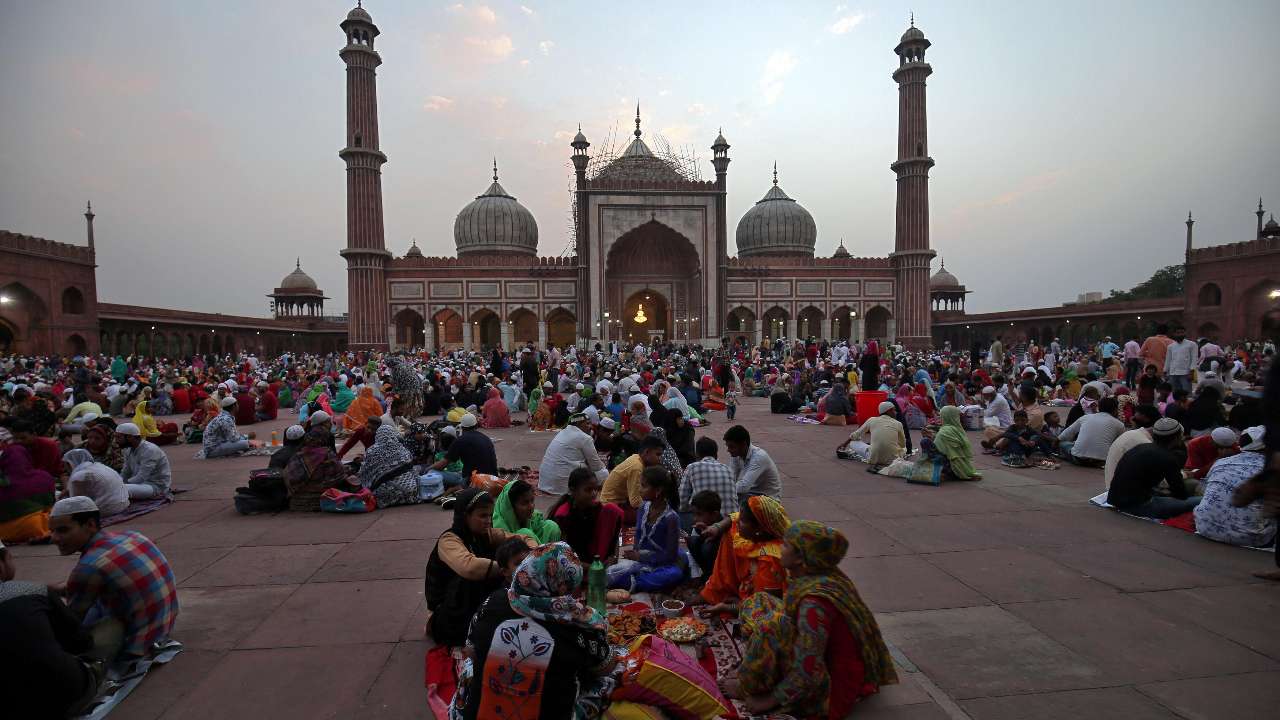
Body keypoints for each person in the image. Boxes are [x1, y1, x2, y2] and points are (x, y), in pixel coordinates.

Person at [728, 521, 898, 717]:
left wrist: (772, 699)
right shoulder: (820, 576)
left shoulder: (814, 603)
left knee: (770, 627)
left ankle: (750, 684)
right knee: (760, 600)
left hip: (831, 683)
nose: (781, 549)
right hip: (824, 656)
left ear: (801, 558)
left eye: (786, 545)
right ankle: (753, 666)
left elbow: (807, 668)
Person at [460, 542, 615, 720]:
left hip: (481, 714)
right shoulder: (575, 624)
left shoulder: (495, 599)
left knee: (472, 667)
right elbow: (606, 666)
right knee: (606, 682)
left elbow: (471, 651)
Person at [49, 496, 179, 662]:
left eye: (62, 530)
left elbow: (71, 625)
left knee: (58, 640)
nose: (54, 538)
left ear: (90, 525)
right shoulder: (131, 536)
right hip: (164, 623)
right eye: (52, 531)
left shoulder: (88, 567)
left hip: (138, 642)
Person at [0, 539, 102, 719]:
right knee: (108, 627)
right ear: (3, 562)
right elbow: (81, 643)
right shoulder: (33, 591)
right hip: (69, 694)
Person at [424, 488, 534, 647]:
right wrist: (510, 567)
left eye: (490, 515)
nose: (488, 520)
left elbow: (521, 538)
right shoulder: (449, 540)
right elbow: (470, 568)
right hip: (447, 614)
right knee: (475, 577)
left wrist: (534, 554)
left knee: (510, 551)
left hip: (468, 605)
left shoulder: (484, 534)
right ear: (465, 515)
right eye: (482, 515)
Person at [699, 495, 791, 613]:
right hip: (751, 594)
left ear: (759, 528)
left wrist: (730, 608)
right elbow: (734, 518)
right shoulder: (760, 531)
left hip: (767, 611)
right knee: (728, 534)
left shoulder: (770, 561)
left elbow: (766, 608)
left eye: (742, 521)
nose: (737, 522)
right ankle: (716, 591)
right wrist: (717, 527)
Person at [1195, 427, 1276, 548]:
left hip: (1204, 527)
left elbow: (1203, 492)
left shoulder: (1221, 462)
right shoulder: (1271, 469)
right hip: (1251, 537)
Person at [608, 467, 685, 592]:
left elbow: (670, 556)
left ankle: (633, 582)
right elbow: (638, 535)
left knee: (674, 574)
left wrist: (642, 557)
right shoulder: (643, 508)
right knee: (611, 572)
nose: (639, 489)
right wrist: (635, 555)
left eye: (643, 486)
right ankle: (635, 579)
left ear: (658, 490)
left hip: (663, 564)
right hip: (642, 561)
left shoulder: (671, 518)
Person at [1107, 418, 1200, 519]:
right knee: (1200, 500)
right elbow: (1180, 494)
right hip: (1137, 506)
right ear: (1177, 438)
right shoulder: (1168, 458)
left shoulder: (1140, 447)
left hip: (1115, 500)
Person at [548, 467, 624, 564]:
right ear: (573, 490)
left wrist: (614, 556)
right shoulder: (563, 515)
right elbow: (564, 554)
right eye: (588, 490)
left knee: (612, 510)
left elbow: (615, 535)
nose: (594, 494)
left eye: (596, 489)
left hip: (595, 559)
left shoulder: (596, 508)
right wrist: (592, 567)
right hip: (571, 563)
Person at [284, 428, 355, 512]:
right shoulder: (327, 454)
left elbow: (289, 477)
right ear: (323, 440)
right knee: (350, 478)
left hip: (296, 501)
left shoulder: (298, 455)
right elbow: (338, 476)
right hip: (321, 499)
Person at [601, 435, 666, 524]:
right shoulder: (637, 467)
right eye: (658, 454)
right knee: (654, 517)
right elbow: (635, 501)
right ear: (647, 452)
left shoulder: (636, 458)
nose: (660, 459)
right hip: (612, 507)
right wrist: (652, 509)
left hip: (619, 502)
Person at [0, 439, 56, 543]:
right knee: (51, 511)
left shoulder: (3, 482)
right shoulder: (43, 477)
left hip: (5, 532)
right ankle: (44, 533)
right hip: (36, 525)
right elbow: (49, 504)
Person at [538, 412, 608, 495]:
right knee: (604, 473)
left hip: (545, 483)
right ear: (579, 424)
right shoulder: (585, 438)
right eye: (587, 423)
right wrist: (603, 466)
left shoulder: (562, 432)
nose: (590, 427)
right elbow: (596, 466)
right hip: (563, 487)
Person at [678, 436, 737, 528]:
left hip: (708, 522)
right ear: (716, 454)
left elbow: (682, 500)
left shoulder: (692, 467)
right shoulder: (728, 469)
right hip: (731, 522)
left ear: (697, 454)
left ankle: (690, 537)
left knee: (679, 513)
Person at [358, 424, 423, 508]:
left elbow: (365, 473)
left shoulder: (371, 451)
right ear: (393, 434)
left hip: (383, 494)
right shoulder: (403, 449)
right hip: (409, 491)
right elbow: (412, 470)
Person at [1103, 404, 1159, 490]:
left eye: (1135, 417)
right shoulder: (1145, 443)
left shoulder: (1132, 435)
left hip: (1113, 488)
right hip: (1124, 493)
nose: (1132, 418)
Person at [1058, 397, 1126, 467]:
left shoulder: (1086, 417)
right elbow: (1121, 444)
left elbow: (1065, 434)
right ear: (1115, 410)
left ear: (1099, 408)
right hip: (1103, 461)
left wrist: (1056, 441)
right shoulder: (1119, 425)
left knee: (1063, 444)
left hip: (1079, 459)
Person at [430, 413, 496, 483]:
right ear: (476, 426)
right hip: (492, 478)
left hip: (472, 480)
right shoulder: (486, 438)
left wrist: (427, 469)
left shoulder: (460, 441)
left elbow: (443, 464)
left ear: (462, 427)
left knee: (431, 472)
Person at [840, 401, 905, 472]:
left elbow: (856, 435)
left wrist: (844, 444)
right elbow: (902, 445)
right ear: (888, 411)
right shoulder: (898, 424)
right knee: (903, 449)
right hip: (892, 460)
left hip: (873, 458)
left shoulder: (871, 420)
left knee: (853, 442)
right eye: (893, 410)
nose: (895, 412)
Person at [114, 422, 172, 500]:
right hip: (138, 484)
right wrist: (116, 483)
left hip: (155, 486)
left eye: (118, 437)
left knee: (119, 490)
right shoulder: (127, 449)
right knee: (112, 488)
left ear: (130, 437)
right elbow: (125, 472)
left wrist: (120, 485)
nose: (116, 441)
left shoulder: (150, 450)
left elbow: (141, 477)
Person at [923, 405, 983, 481]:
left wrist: (929, 438)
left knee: (925, 442)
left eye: (941, 416)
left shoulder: (945, 431)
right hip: (960, 467)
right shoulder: (958, 429)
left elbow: (939, 449)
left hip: (949, 467)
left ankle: (939, 471)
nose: (940, 418)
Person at [723, 424, 782, 501]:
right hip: (751, 494)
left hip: (769, 499)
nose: (728, 450)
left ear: (743, 444)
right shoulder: (736, 455)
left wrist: (723, 490)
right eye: (727, 446)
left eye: (731, 447)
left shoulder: (759, 457)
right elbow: (730, 477)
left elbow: (744, 487)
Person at [63, 448, 129, 517]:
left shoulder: (79, 475)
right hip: (124, 503)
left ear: (70, 464)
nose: (65, 469)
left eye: (66, 465)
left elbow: (78, 502)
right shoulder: (99, 466)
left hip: (109, 508)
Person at [493, 478, 561, 544]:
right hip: (515, 553)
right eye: (524, 503)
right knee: (525, 533)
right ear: (511, 506)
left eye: (532, 501)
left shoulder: (533, 518)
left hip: (535, 546)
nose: (531, 506)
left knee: (551, 526)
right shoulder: (498, 526)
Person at [687, 490, 724, 581]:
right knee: (692, 541)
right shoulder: (698, 527)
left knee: (708, 547)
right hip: (707, 564)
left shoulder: (723, 527)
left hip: (723, 567)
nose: (695, 519)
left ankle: (714, 578)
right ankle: (706, 575)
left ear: (714, 515)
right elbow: (691, 549)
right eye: (694, 514)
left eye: (699, 514)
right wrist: (695, 575)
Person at [1164, 326, 1198, 394]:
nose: (1180, 334)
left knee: (1186, 393)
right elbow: (1168, 360)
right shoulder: (1171, 346)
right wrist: (1165, 371)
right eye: (1178, 333)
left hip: (1186, 373)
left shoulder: (1192, 344)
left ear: (1185, 333)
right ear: (1174, 334)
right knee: (1174, 393)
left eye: (1182, 332)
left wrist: (1191, 373)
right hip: (1173, 373)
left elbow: (1194, 359)